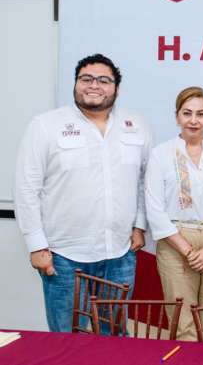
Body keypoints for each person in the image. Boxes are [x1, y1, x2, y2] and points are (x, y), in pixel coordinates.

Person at [14, 53, 151, 332]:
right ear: (76, 84)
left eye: (103, 80)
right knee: (68, 338)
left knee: (114, 336)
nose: (94, 85)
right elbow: (26, 188)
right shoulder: (45, 125)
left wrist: (139, 225)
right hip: (63, 255)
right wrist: (36, 246)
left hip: (119, 253)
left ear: (116, 88)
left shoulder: (137, 126)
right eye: (86, 79)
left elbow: (143, 181)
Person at [144, 87, 203, 341]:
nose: (193, 120)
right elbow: (154, 208)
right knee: (183, 323)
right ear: (177, 117)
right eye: (187, 113)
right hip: (176, 241)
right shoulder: (160, 154)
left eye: (200, 114)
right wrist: (188, 251)